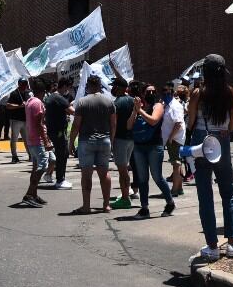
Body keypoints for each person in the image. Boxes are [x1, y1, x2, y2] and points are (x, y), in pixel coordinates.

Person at [186, 54, 233, 261]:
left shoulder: (198, 94)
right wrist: (223, 130)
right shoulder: (230, 92)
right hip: (221, 141)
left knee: (205, 195)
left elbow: (191, 121)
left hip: (203, 142)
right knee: (228, 193)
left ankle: (212, 246)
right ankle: (232, 242)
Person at [68, 75, 116, 214]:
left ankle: (86, 206)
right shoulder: (109, 101)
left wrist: (71, 143)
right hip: (105, 140)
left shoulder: (82, 102)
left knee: (86, 174)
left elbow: (76, 125)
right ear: (100, 85)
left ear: (88, 86)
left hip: (86, 141)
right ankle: (106, 205)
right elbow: (113, 124)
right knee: (104, 172)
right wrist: (111, 141)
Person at [131, 83, 174, 217]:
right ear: (143, 94)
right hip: (138, 146)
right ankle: (144, 208)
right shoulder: (139, 107)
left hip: (154, 146)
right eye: (148, 92)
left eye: (153, 91)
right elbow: (128, 125)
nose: (151, 94)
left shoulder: (158, 106)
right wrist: (135, 111)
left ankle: (170, 203)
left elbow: (153, 121)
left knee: (157, 177)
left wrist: (140, 111)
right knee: (143, 179)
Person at [19, 80, 51, 208]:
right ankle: (29, 194)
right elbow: (39, 124)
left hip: (31, 138)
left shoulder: (30, 101)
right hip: (37, 140)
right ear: (43, 91)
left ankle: (34, 194)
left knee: (36, 166)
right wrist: (46, 141)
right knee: (42, 166)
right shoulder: (37, 103)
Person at [110, 79, 136, 210]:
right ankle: (126, 193)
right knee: (125, 167)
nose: (113, 88)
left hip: (120, 139)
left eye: (114, 86)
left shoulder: (117, 103)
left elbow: (113, 124)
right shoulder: (132, 100)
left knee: (122, 170)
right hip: (131, 139)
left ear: (119, 87)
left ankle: (125, 198)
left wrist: (111, 140)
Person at [43, 78, 73, 190]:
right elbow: (72, 111)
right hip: (59, 131)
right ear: (64, 86)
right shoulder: (59, 98)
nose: (69, 90)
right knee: (62, 154)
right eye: (68, 87)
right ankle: (60, 180)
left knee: (61, 154)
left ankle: (57, 177)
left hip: (53, 130)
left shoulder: (51, 97)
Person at [163, 83, 187, 197]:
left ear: (172, 93)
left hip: (175, 139)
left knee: (175, 164)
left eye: (167, 92)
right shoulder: (168, 104)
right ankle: (180, 187)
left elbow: (178, 123)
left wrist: (171, 137)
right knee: (177, 163)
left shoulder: (174, 106)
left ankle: (174, 189)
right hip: (173, 138)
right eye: (164, 92)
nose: (165, 94)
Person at [3, 78, 29, 164]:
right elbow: (8, 105)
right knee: (14, 139)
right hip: (16, 119)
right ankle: (14, 156)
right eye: (23, 83)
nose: (25, 85)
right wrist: (19, 106)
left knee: (27, 139)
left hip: (25, 120)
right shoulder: (14, 93)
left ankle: (31, 155)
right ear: (19, 84)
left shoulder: (27, 94)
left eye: (26, 83)